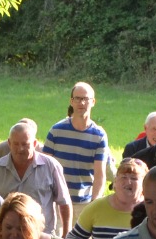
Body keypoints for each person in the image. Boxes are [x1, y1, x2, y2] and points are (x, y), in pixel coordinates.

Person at [0, 120, 72, 235]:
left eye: (25, 144)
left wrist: (66, 235)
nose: (20, 149)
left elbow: (64, 203)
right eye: (16, 144)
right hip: (6, 238)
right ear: (9, 143)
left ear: (35, 144)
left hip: (41, 238)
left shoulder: (51, 166)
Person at [42, 82, 109, 222]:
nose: (82, 102)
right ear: (71, 101)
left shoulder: (99, 135)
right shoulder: (56, 131)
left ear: (93, 102)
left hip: (84, 203)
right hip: (58, 201)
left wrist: (94, 203)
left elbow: (100, 174)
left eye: (86, 99)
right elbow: (44, 167)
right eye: (77, 98)